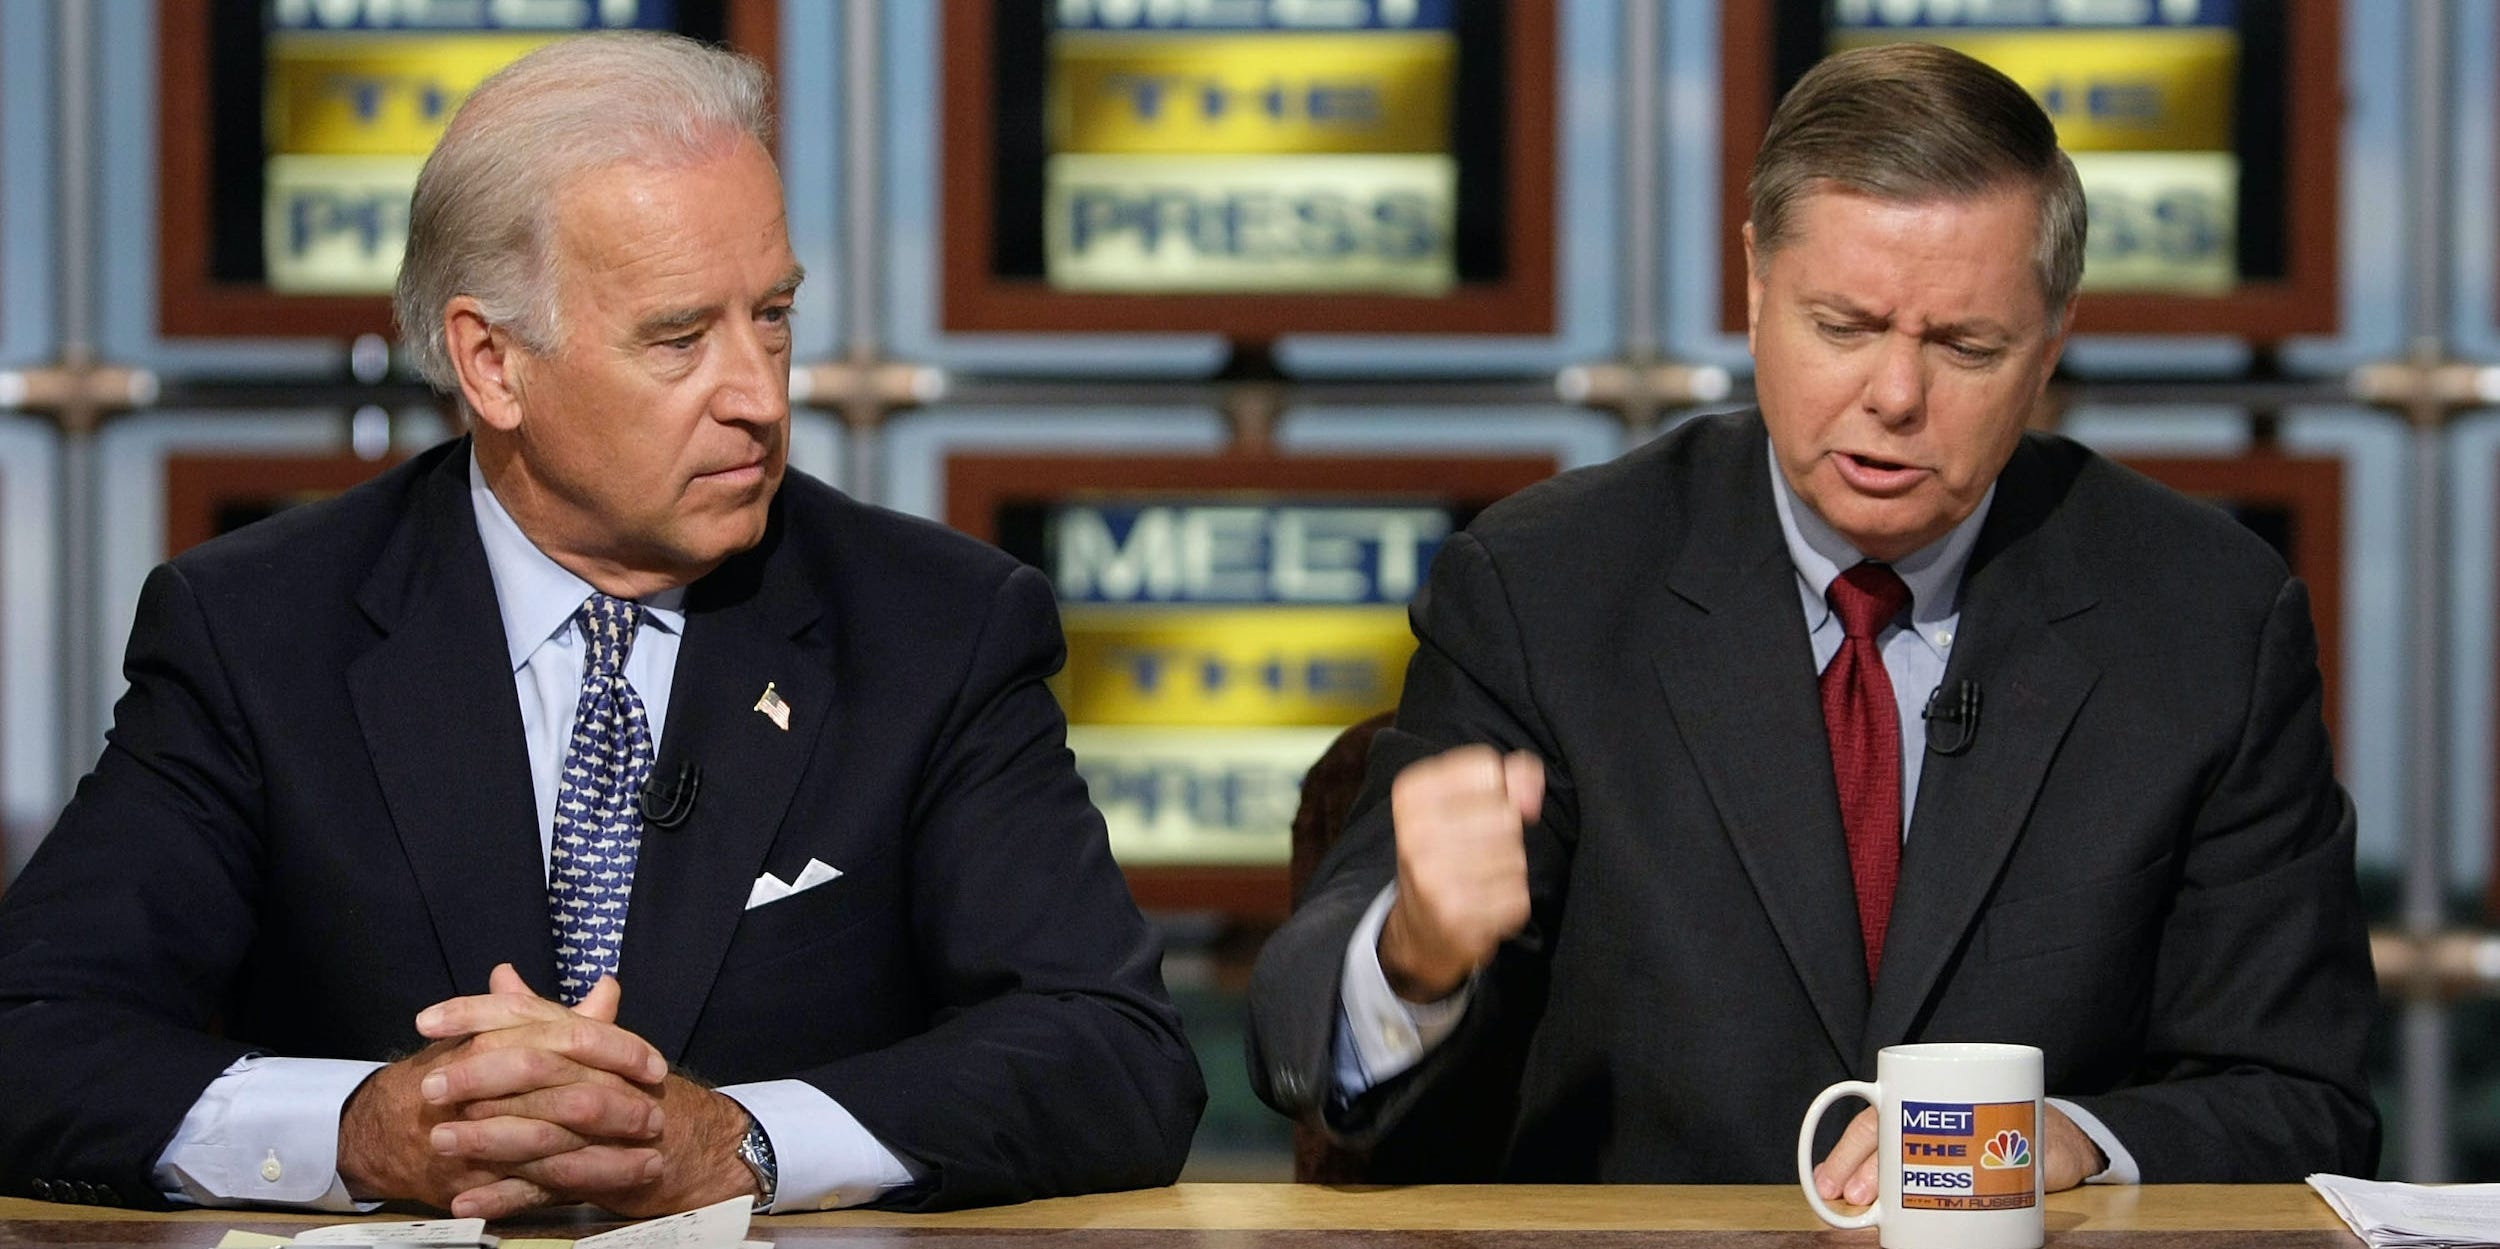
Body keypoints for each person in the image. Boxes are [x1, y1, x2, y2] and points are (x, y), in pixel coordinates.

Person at [0, 32, 1202, 1217]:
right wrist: (361, 1129)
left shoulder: (935, 629)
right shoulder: (256, 633)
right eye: (680, 339)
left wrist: (741, 1141)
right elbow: (34, 1036)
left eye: (772, 315)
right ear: (492, 363)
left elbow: (1113, 1053)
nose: (758, 395)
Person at [1247, 42, 2378, 1195]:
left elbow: (2302, 1102)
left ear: (2051, 340)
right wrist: (1415, 957)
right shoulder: (1546, 587)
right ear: (1752, 288)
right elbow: (1297, 1037)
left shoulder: (2205, 621)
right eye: (1843, 325)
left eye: (1964, 346)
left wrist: (2074, 1141)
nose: (1894, 396)